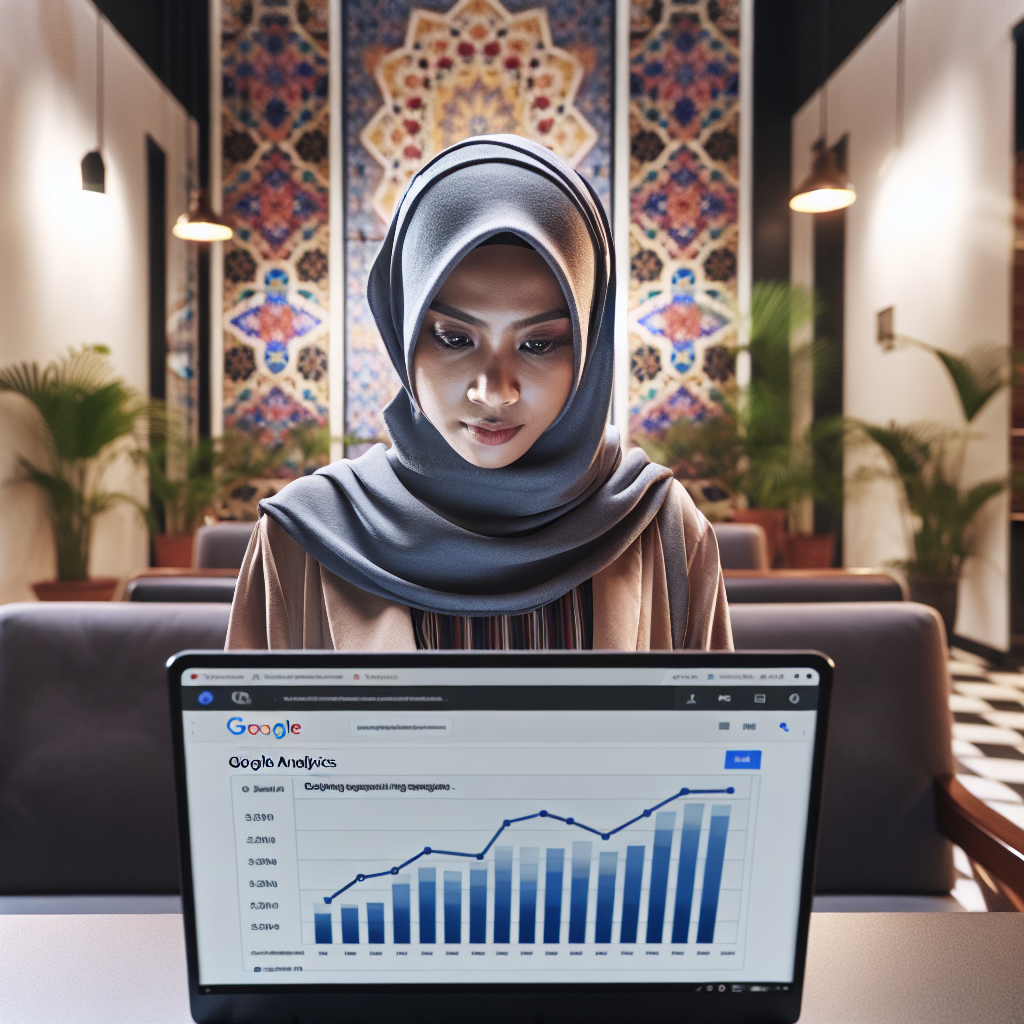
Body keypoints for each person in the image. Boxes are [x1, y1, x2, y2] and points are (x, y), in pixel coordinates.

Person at [226, 135, 731, 651]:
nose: (495, 392)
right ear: (403, 332)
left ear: (588, 343)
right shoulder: (305, 537)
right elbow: (251, 732)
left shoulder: (660, 525)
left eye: (539, 343)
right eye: (454, 338)